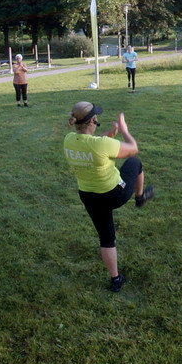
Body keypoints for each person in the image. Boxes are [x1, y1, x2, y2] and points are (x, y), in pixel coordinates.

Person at [63, 101, 154, 292]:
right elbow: (133, 148)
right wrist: (124, 130)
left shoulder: (69, 140)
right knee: (135, 162)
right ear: (92, 121)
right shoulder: (101, 145)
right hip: (114, 194)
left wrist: (110, 133)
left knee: (106, 238)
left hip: (89, 196)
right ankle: (139, 198)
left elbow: (93, 144)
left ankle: (115, 279)